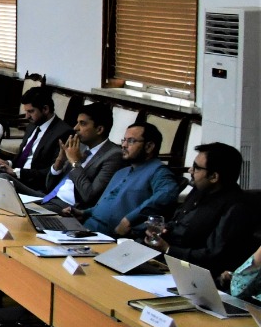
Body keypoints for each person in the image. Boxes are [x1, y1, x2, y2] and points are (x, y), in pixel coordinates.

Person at [144, 142, 255, 274]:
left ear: (214, 177)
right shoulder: (200, 189)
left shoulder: (236, 208)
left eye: (196, 168)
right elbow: (178, 221)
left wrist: (168, 249)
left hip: (195, 274)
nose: (190, 170)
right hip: (167, 261)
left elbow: (213, 255)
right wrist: (163, 230)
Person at [77, 123, 180, 236]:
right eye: (124, 140)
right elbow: (107, 203)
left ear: (149, 146)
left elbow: (166, 195)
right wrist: (84, 213)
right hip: (85, 227)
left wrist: (130, 219)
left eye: (131, 141)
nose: (124, 145)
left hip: (109, 237)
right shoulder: (122, 172)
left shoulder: (159, 171)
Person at [38, 104, 122, 209]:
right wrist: (60, 161)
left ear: (99, 129)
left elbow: (89, 196)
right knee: (11, 182)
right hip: (49, 197)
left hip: (67, 207)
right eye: (77, 123)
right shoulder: (80, 146)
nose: (75, 128)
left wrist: (75, 162)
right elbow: (49, 186)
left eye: (82, 124)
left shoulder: (113, 155)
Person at [0, 87, 67, 192]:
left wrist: (16, 172)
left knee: (2, 177)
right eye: (26, 111)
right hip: (17, 175)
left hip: (32, 183)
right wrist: (7, 163)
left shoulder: (63, 132)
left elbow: (51, 171)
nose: (27, 116)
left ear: (45, 109)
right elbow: (23, 157)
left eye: (31, 111)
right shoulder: (32, 126)